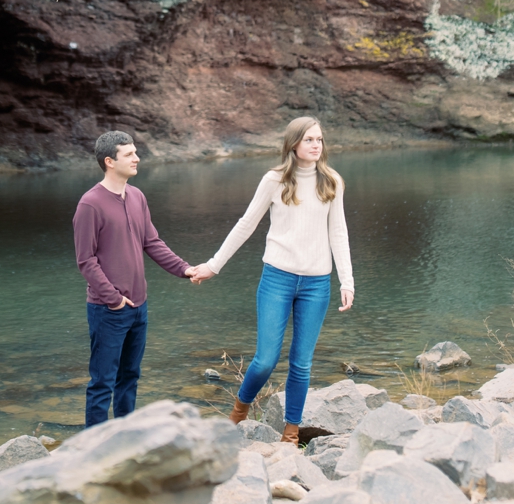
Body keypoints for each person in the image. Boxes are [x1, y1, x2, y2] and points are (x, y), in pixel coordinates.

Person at [188, 117, 354, 446]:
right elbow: (246, 224)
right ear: (293, 144)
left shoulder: (331, 181)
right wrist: (213, 265)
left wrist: (346, 280)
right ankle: (239, 411)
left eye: (320, 139)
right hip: (277, 279)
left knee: (301, 363)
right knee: (265, 359)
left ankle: (291, 433)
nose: (316, 145)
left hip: (317, 284)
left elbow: (338, 232)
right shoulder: (274, 180)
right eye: (309, 140)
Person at [73, 130, 205, 427]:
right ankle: (93, 448)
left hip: (139, 307)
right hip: (109, 309)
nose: (137, 158)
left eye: (135, 152)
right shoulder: (90, 204)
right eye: (129, 154)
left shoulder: (137, 196)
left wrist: (184, 269)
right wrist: (114, 299)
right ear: (109, 161)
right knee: (102, 382)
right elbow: (86, 260)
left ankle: (126, 437)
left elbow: (152, 242)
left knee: (130, 376)